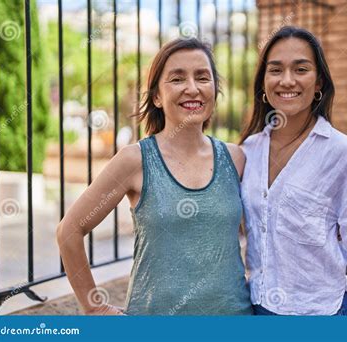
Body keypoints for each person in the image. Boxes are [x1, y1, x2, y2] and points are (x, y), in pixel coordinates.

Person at [57, 38, 252, 315]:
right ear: (157, 96)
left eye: (202, 77)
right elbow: (69, 232)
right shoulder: (135, 160)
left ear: (214, 91)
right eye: (177, 78)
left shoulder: (236, 158)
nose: (192, 88)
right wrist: (94, 308)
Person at [239, 26, 347, 315]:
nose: (287, 80)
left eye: (301, 69)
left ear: (319, 82)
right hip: (257, 310)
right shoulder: (248, 151)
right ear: (263, 83)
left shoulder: (345, 155)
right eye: (275, 70)